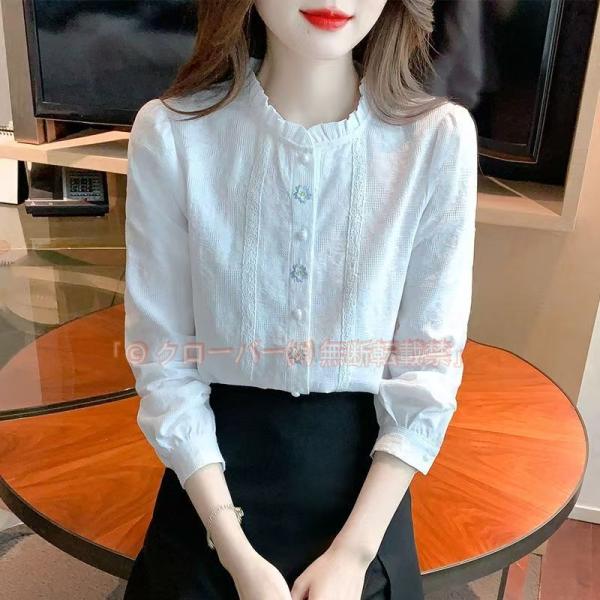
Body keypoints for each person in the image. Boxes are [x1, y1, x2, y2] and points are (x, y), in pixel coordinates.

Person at [122, 1, 478, 599]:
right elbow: (164, 359)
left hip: (365, 487)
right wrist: (234, 551)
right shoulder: (171, 134)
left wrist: (353, 555)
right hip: (210, 476)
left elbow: (427, 367)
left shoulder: (436, 140)